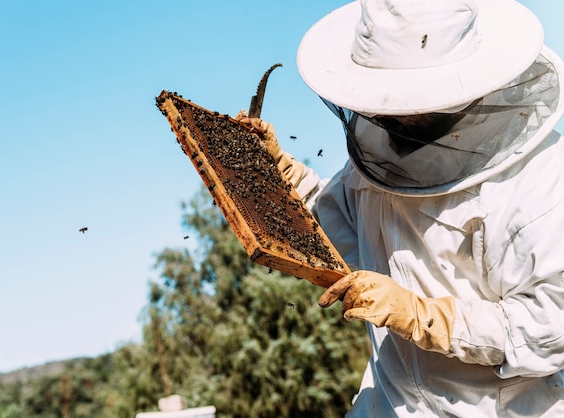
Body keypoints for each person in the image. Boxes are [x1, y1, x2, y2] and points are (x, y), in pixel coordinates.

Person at [238, 0, 564, 416]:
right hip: (388, 404)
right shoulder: (377, 164)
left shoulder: (541, 176)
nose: (400, 119)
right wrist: (275, 178)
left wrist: (426, 317)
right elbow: (331, 237)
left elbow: (551, 324)